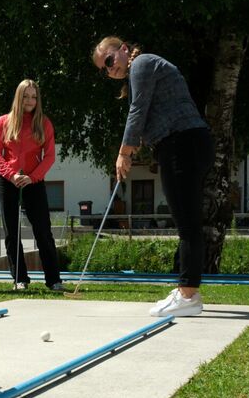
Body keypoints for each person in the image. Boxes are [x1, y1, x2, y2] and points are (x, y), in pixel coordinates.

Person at [92, 36, 214, 317]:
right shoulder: (142, 69)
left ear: (124, 49)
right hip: (185, 143)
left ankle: (188, 295)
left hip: (182, 144)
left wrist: (124, 152)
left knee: (187, 223)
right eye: (103, 69)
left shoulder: (142, 64)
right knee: (187, 221)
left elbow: (138, 109)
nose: (109, 69)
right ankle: (186, 290)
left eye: (109, 60)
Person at [0, 79, 63, 291]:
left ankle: (54, 280)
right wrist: (11, 175)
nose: (30, 101)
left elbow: (49, 156)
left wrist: (33, 177)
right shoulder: (3, 122)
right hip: (7, 182)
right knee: (12, 233)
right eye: (26, 96)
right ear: (18, 97)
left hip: (34, 182)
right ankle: (20, 279)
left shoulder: (44, 123)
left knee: (43, 231)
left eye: (34, 97)